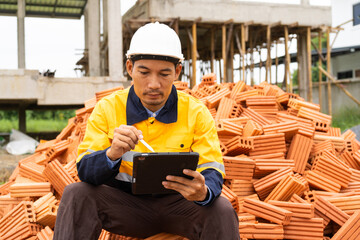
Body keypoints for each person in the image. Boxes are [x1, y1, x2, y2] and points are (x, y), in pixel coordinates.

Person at [53, 22, 240, 240]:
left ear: (177, 71)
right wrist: (112, 154)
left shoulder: (196, 112)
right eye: (144, 72)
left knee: (222, 209)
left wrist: (203, 191)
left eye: (164, 74)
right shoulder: (108, 109)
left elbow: (212, 168)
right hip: (126, 206)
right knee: (77, 194)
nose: (153, 84)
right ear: (130, 68)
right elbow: (85, 170)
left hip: (180, 206)